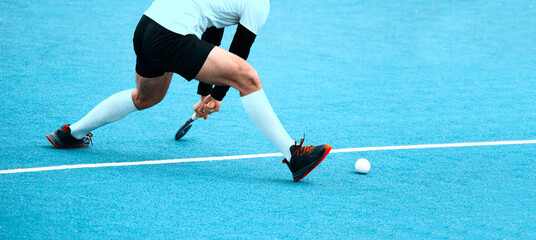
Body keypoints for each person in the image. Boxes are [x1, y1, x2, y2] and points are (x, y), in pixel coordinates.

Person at [45, 0, 331, 182]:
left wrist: (205, 92)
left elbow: (213, 32)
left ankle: (71, 134)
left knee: (146, 97)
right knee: (248, 77)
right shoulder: (259, 4)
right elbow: (239, 53)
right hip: (172, 35)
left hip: (146, 27)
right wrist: (217, 97)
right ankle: (293, 155)